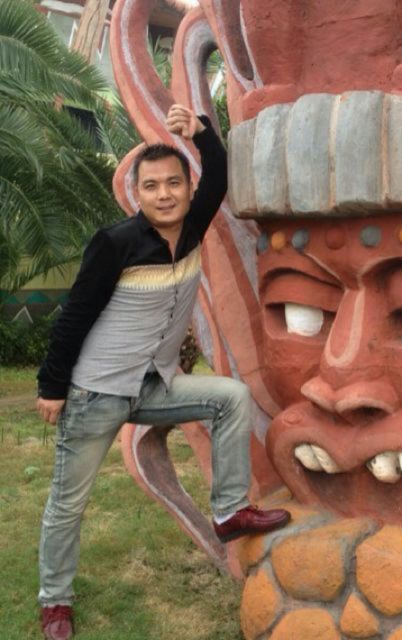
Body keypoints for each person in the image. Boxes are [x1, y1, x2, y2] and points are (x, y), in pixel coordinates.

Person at [35, 104, 290, 640]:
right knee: (68, 503)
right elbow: (75, 315)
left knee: (230, 396)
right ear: (138, 193)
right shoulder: (115, 244)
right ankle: (55, 600)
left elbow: (218, 173)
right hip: (97, 394)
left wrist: (200, 131)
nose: (165, 194)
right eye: (152, 186)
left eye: (174, 183)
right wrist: (52, 387)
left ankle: (229, 512)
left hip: (155, 385)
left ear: (187, 189)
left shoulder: (193, 229)